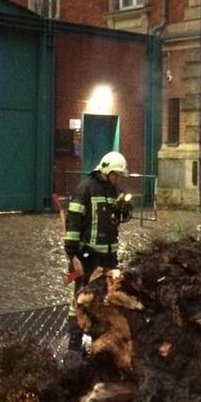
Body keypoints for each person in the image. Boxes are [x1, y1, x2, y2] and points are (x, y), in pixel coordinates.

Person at [64, 151, 130, 352]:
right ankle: (74, 343)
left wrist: (124, 209)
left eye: (119, 175)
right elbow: (73, 221)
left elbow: (124, 217)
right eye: (115, 174)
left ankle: (102, 341)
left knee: (108, 297)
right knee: (79, 297)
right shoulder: (85, 189)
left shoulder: (116, 189)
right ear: (105, 168)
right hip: (86, 255)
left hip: (109, 256)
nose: (117, 178)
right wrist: (72, 253)